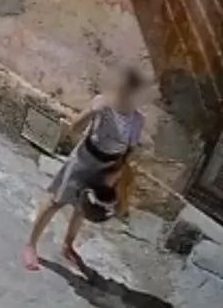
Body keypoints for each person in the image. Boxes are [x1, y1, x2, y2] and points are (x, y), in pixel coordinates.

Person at [21, 66, 147, 272]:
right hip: (84, 160)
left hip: (106, 169)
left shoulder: (137, 120)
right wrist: (92, 111)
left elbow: (129, 151)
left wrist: (115, 174)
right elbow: (75, 128)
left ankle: (68, 245)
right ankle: (30, 245)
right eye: (125, 89)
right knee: (56, 201)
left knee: (84, 207)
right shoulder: (103, 104)